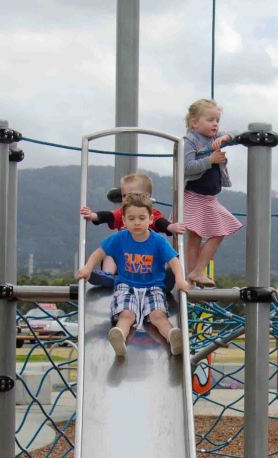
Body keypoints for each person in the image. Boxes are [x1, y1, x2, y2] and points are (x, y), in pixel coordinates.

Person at [75, 195, 192, 358]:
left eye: (141, 218)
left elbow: (174, 261)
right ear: (124, 220)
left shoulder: (158, 241)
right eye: (131, 218)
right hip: (126, 286)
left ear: (150, 219)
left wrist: (180, 279)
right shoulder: (119, 238)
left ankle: (172, 337)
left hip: (153, 287)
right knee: (126, 315)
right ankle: (119, 337)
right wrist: (87, 268)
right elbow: (99, 252)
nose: (136, 222)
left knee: (158, 316)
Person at [79, 173, 185, 287]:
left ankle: (163, 280)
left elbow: (160, 222)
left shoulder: (149, 213)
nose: (127, 199)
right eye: (124, 196)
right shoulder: (123, 213)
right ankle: (108, 275)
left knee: (161, 254)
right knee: (110, 250)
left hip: (146, 262)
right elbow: (109, 216)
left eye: (133, 195)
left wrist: (170, 227)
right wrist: (93, 215)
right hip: (126, 264)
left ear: (147, 197)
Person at [182, 98, 243, 287]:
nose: (215, 124)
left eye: (217, 120)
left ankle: (195, 272)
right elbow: (186, 167)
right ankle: (194, 273)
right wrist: (211, 160)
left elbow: (239, 133)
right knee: (196, 236)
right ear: (194, 123)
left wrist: (226, 138)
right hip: (194, 196)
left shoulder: (215, 138)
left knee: (218, 231)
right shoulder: (190, 140)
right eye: (210, 120)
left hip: (209, 198)